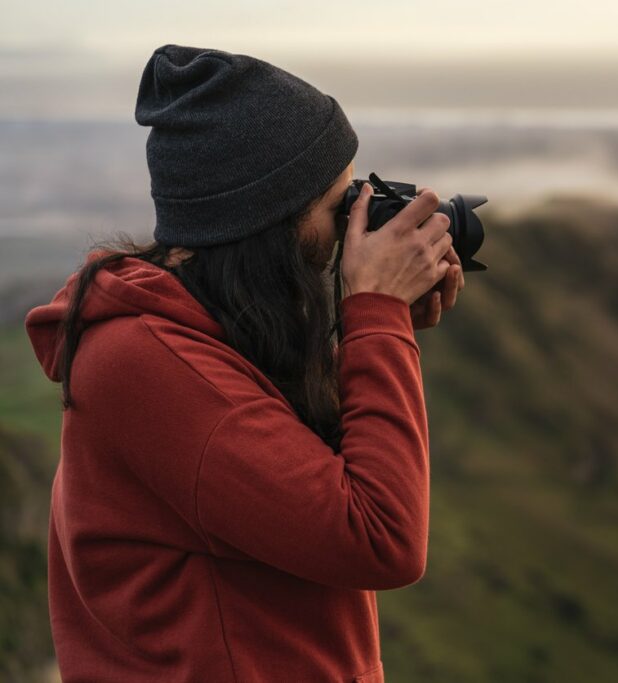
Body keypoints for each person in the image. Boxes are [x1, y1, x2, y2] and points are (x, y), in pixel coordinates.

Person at [23, 44, 464, 683]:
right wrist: (375, 316)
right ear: (266, 222)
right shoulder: (147, 364)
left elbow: (278, 472)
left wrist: (372, 338)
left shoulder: (201, 331)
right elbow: (380, 537)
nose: (351, 227)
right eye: (340, 206)